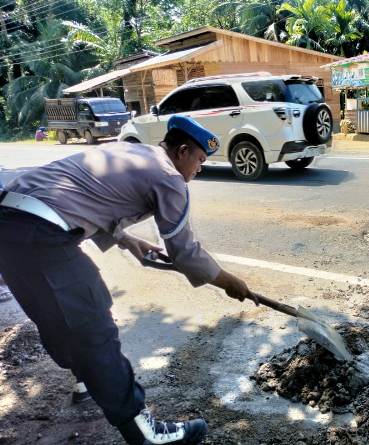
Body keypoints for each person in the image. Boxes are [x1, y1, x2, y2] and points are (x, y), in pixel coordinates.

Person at [0, 115, 259, 444]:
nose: (199, 170)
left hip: (8, 224)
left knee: (55, 315)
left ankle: (87, 379)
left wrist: (128, 240)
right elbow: (185, 251)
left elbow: (91, 194)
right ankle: (145, 433)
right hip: (43, 236)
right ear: (182, 151)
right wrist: (228, 281)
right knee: (95, 328)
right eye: (200, 160)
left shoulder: (134, 152)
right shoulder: (170, 178)